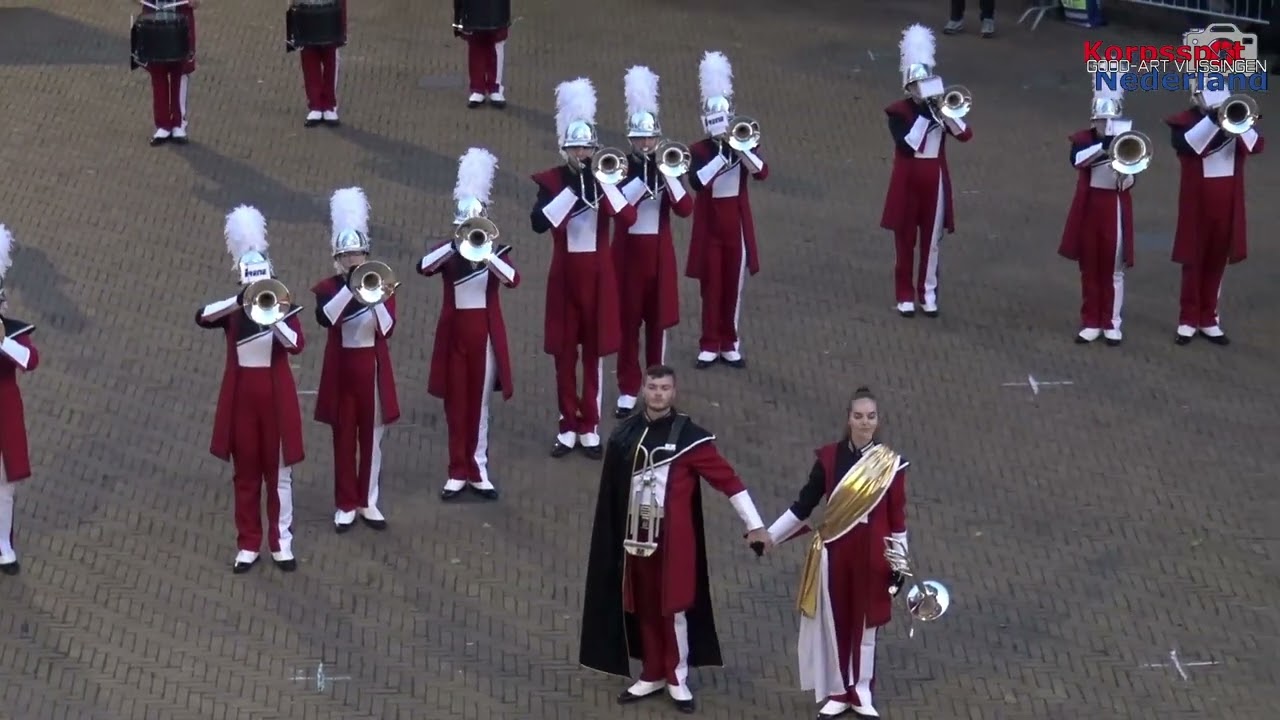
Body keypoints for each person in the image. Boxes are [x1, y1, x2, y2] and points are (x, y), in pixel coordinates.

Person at [579, 364, 770, 713]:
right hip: (634, 539)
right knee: (643, 607)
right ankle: (652, 671)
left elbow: (728, 480)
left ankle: (676, 676)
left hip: (673, 541)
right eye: (652, 387)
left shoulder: (689, 438)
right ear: (643, 390)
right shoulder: (626, 434)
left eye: (665, 388)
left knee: (674, 607)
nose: (658, 394)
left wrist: (755, 525)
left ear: (674, 392)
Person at [765, 387, 910, 719]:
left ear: (878, 420)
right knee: (835, 622)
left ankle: (861, 692)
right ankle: (838, 691)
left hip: (873, 556)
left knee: (866, 626)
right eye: (858, 416)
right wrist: (769, 536)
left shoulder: (892, 465)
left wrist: (899, 563)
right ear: (848, 419)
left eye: (870, 416)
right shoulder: (829, 458)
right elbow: (804, 504)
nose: (864, 422)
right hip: (835, 552)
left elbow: (898, 518)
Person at [196, 205, 306, 574]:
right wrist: (241, 298)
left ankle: (281, 542)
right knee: (245, 474)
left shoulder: (284, 308)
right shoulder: (234, 311)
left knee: (279, 475)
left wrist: (274, 314)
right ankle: (248, 543)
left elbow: (295, 344)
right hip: (243, 400)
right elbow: (202, 316)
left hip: (275, 401)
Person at [530, 77, 635, 459]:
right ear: (565, 148)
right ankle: (567, 423)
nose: (582, 153)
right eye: (576, 148)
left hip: (598, 277)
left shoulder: (607, 176)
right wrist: (572, 190)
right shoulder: (553, 181)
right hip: (564, 278)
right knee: (563, 353)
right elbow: (539, 223)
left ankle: (589, 423)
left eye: (587, 147)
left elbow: (627, 215)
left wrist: (601, 182)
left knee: (593, 353)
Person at [420, 147, 519, 500]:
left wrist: (487, 250)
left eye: (474, 228)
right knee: (455, 402)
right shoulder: (448, 255)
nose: (470, 233)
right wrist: (455, 243)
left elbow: (512, 279)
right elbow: (424, 266)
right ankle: (456, 469)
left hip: (485, 338)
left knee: (478, 405)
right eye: (465, 228)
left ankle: (478, 468)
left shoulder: (497, 254)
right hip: (454, 336)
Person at [311, 187, 399, 532]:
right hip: (342, 371)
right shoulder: (330, 289)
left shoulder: (382, 283)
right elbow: (326, 319)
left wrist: (373, 296)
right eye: (348, 256)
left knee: (372, 439)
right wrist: (350, 288)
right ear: (338, 258)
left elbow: (387, 329)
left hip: (371, 371)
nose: (353, 260)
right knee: (344, 438)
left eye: (358, 254)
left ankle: (367, 500)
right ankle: (345, 502)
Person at [612, 65, 692, 418]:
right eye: (640, 140)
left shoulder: (667, 164)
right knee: (627, 325)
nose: (646, 145)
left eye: (651, 140)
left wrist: (667, 173)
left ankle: (658, 385)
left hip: (658, 256)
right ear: (631, 142)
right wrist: (642, 179)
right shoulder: (617, 167)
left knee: (658, 323)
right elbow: (621, 210)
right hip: (627, 256)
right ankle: (628, 387)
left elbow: (685, 208)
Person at [881, 24, 972, 319]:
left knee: (931, 242)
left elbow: (964, 134)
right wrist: (925, 115)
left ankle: (928, 293)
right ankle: (904, 294)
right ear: (909, 87)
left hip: (935, 179)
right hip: (908, 180)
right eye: (917, 86)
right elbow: (908, 146)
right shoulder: (898, 112)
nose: (922, 91)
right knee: (905, 239)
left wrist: (944, 112)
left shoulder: (939, 107)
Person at [686, 51, 768, 370]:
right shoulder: (699, 150)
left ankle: (729, 341)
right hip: (710, 225)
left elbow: (761, 172)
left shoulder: (744, 141)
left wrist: (741, 148)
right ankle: (708, 342)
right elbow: (698, 181)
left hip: (735, 222)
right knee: (712, 285)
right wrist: (722, 154)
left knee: (733, 284)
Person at [1165, 83, 1264, 346]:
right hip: (1197, 202)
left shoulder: (1237, 114)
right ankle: (1188, 319)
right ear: (1196, 96)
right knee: (1193, 259)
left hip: (1227, 200)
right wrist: (1213, 117)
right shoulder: (1184, 122)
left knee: (1217, 260)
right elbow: (1189, 146)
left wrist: (1233, 117)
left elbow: (1256, 145)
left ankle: (1209, 318)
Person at [1058, 84, 1138, 346]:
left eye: (1111, 119)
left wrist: (1122, 165)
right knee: (1090, 266)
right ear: (1094, 120)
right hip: (1090, 205)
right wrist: (1104, 147)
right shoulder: (1083, 140)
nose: (1107, 124)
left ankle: (1112, 322)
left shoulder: (1127, 141)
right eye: (1102, 120)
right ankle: (1091, 320)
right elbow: (1077, 161)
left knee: (1114, 268)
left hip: (1114, 205)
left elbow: (1129, 183)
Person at [0, 224, 39, 577]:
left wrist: (3, 340)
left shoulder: (12, 330)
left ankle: (4, 545)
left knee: (5, 484)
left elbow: (30, 361)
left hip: (5, 410)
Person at [132, 0, 200, 146]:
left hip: (180, 17)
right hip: (153, 16)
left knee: (180, 72)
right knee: (157, 72)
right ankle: (163, 125)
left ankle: (178, 124)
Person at [287, 0, 347, 126]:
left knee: (330, 56)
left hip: (330, 7)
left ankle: (329, 105)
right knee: (309, 55)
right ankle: (315, 105)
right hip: (305, 8)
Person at [453, 0, 509, 108]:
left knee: (496, 43)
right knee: (476, 46)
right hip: (473, 10)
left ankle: (495, 88)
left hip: (496, 10)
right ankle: (478, 88)